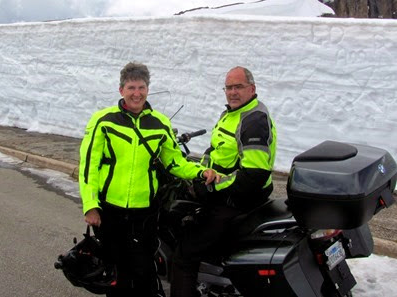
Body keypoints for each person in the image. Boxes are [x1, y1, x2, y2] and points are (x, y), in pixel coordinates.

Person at [78, 62, 217, 297]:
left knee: (143, 271)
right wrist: (91, 205)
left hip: (144, 212)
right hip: (110, 209)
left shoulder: (160, 123)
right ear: (121, 90)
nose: (136, 93)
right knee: (118, 273)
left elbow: (174, 162)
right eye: (131, 87)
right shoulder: (104, 121)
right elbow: (88, 166)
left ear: (148, 89)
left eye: (141, 87)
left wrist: (199, 172)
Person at [170, 66, 277, 297]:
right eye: (228, 87)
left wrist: (210, 187)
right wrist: (197, 170)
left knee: (185, 254)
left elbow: (254, 174)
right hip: (231, 195)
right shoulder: (232, 113)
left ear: (252, 88)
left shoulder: (253, 120)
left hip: (238, 200)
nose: (233, 92)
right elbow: (218, 152)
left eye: (238, 87)